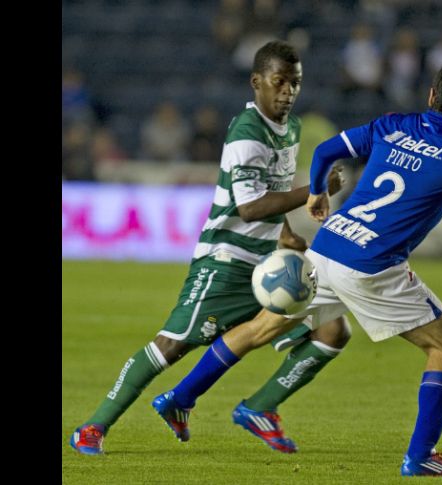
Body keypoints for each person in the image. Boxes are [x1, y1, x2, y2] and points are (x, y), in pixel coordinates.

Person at [151, 60, 442, 476]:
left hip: (330, 246)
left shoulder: (394, 124)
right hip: (373, 267)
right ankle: (420, 456)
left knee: (260, 328)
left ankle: (178, 398)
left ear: (432, 96)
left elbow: (325, 152)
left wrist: (317, 192)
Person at [69, 40, 349, 455]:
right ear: (257, 82)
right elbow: (250, 206)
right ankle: (92, 426)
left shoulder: (290, 128)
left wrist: (287, 233)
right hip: (226, 259)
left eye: (296, 83)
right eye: (280, 82)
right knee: (172, 345)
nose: (288, 91)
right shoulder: (247, 132)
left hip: (270, 259)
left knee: (333, 329)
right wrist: (314, 190)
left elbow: (271, 189)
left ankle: (256, 406)